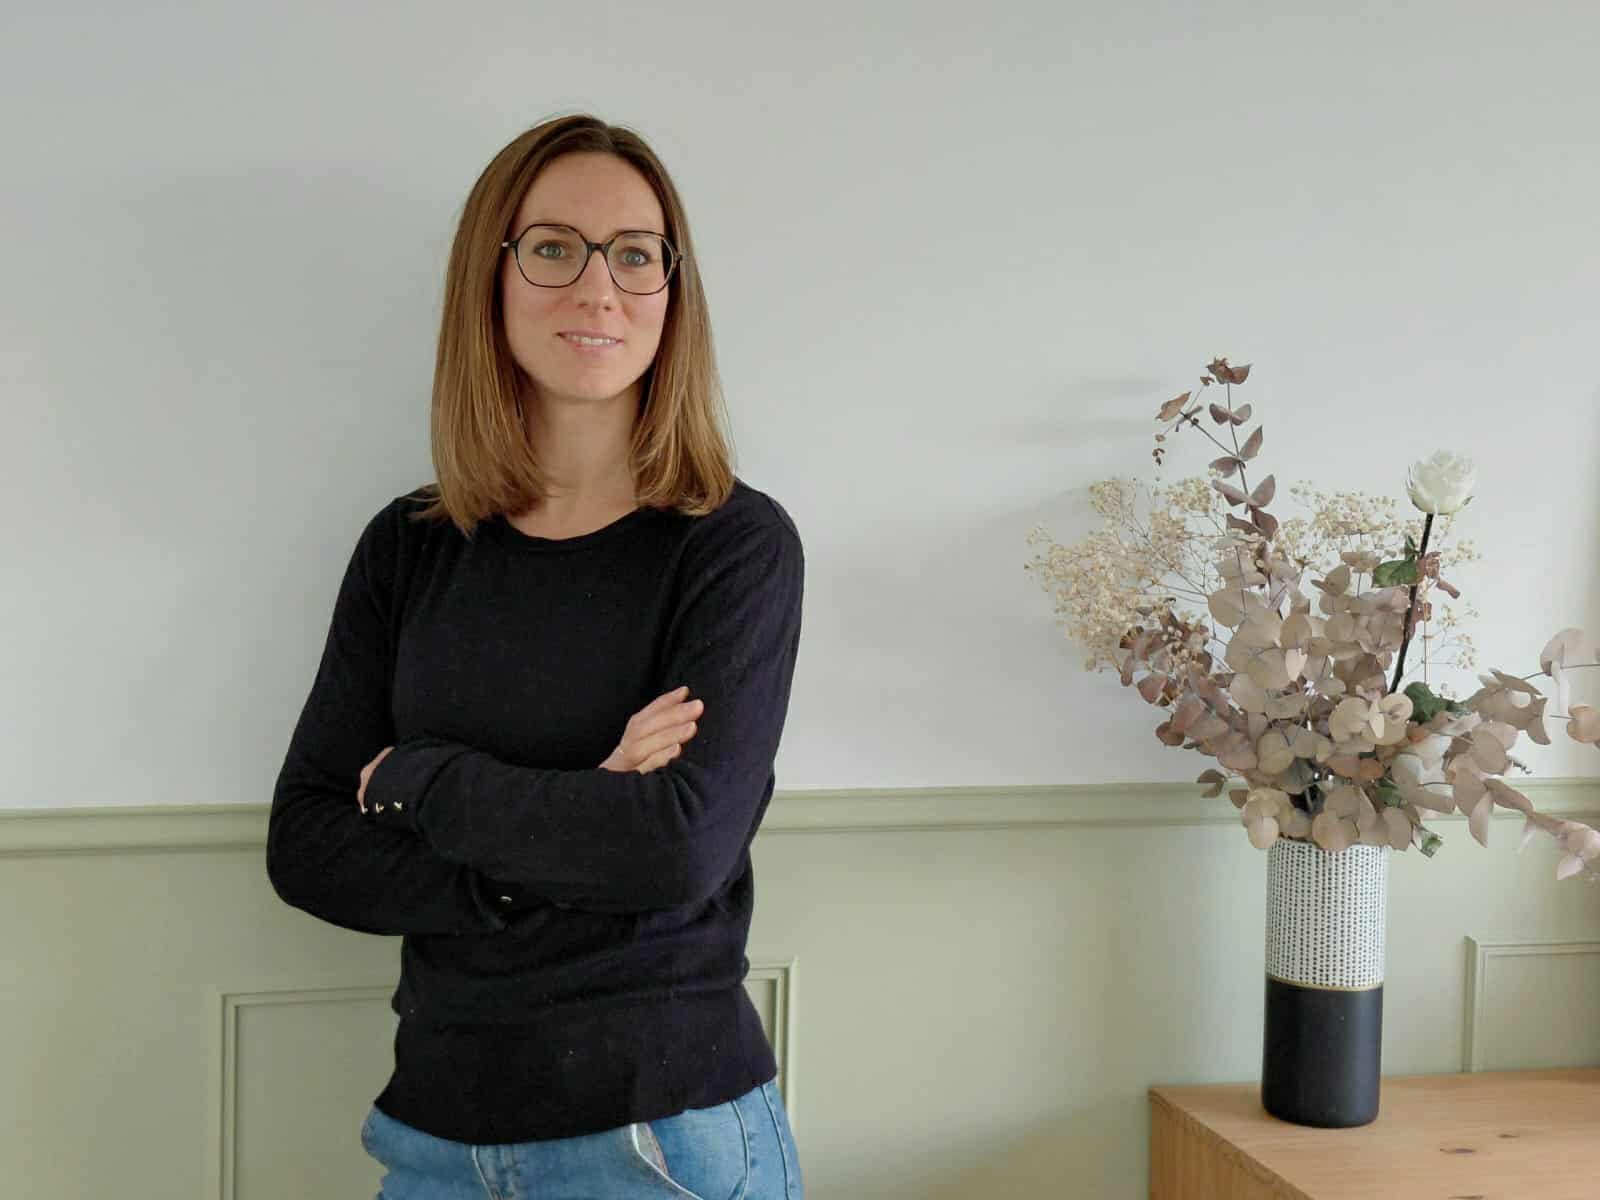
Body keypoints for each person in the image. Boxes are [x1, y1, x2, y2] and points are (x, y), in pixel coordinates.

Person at [267, 113, 806, 1199]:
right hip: (430, 1136)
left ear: (670, 288)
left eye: (635, 254)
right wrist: (576, 820)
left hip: (661, 1137)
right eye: (554, 247)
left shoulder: (733, 547)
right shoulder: (408, 548)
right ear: (493, 275)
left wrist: (423, 778)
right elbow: (308, 845)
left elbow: (675, 853)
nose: (597, 289)